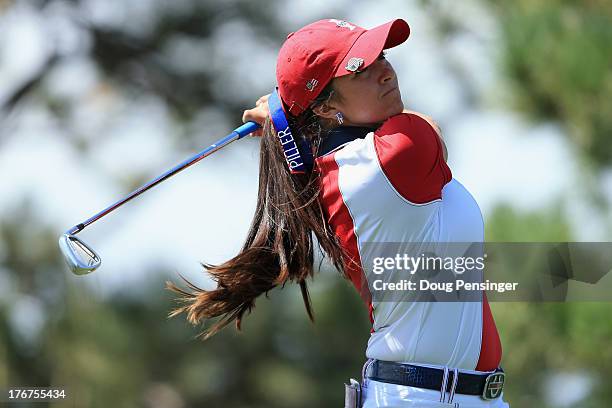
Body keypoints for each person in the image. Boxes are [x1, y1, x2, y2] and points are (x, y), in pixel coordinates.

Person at [168, 18, 509, 407]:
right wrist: (284, 124)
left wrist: (287, 125)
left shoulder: (347, 166)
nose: (385, 72)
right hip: (415, 397)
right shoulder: (394, 157)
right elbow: (428, 129)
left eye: (381, 56)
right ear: (327, 105)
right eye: (360, 69)